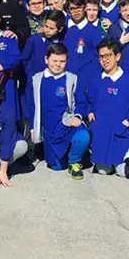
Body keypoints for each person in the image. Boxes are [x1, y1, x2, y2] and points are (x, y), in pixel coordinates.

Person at [25, 43, 90, 179]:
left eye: (62, 61)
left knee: (83, 136)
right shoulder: (37, 79)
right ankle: (65, 154)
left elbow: (81, 102)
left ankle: (75, 161)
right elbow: (31, 106)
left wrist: (77, 116)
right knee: (57, 167)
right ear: (46, 59)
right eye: (54, 60)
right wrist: (32, 128)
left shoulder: (72, 78)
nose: (58, 65)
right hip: (49, 129)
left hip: (67, 123)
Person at [87, 38, 129, 175]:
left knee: (122, 172)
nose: (105, 60)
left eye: (108, 56)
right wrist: (90, 115)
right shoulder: (96, 80)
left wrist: (127, 121)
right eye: (101, 57)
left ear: (117, 56)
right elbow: (89, 100)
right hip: (101, 131)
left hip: (120, 131)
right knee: (102, 171)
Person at [63, 0, 105, 93]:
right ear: (68, 10)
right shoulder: (62, 28)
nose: (76, 12)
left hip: (85, 80)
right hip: (63, 77)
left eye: (79, 8)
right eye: (72, 9)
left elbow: (98, 57)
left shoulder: (94, 31)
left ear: (84, 8)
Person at [22, 10, 66, 81]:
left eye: (51, 28)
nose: (47, 30)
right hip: (35, 80)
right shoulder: (33, 40)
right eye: (46, 26)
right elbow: (25, 60)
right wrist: (31, 74)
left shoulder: (62, 42)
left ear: (60, 29)